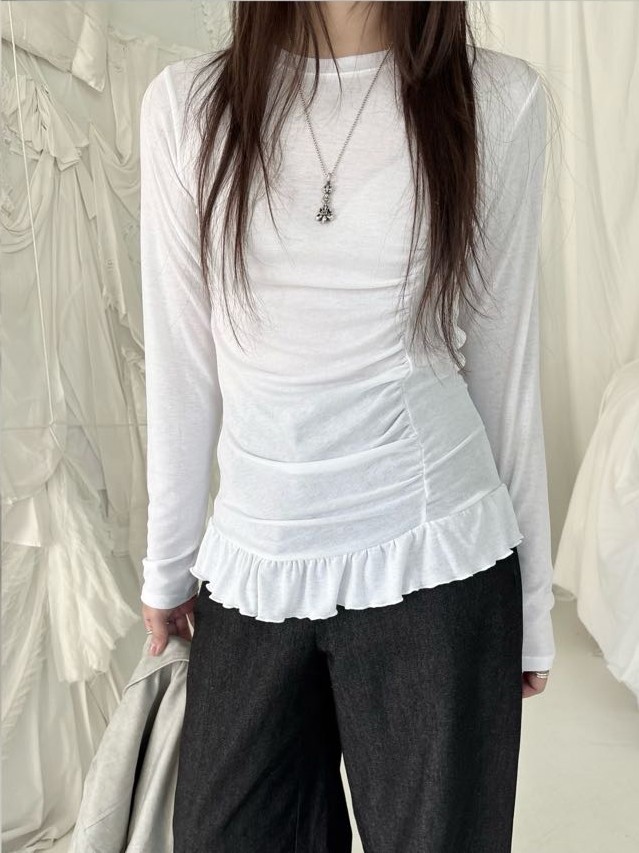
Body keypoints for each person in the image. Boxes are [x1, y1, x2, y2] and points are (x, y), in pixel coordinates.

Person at [138, 2, 555, 850]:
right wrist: (167, 564)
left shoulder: (495, 99)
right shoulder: (189, 105)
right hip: (252, 566)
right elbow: (181, 362)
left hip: (434, 559)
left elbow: (504, 369)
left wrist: (533, 607)